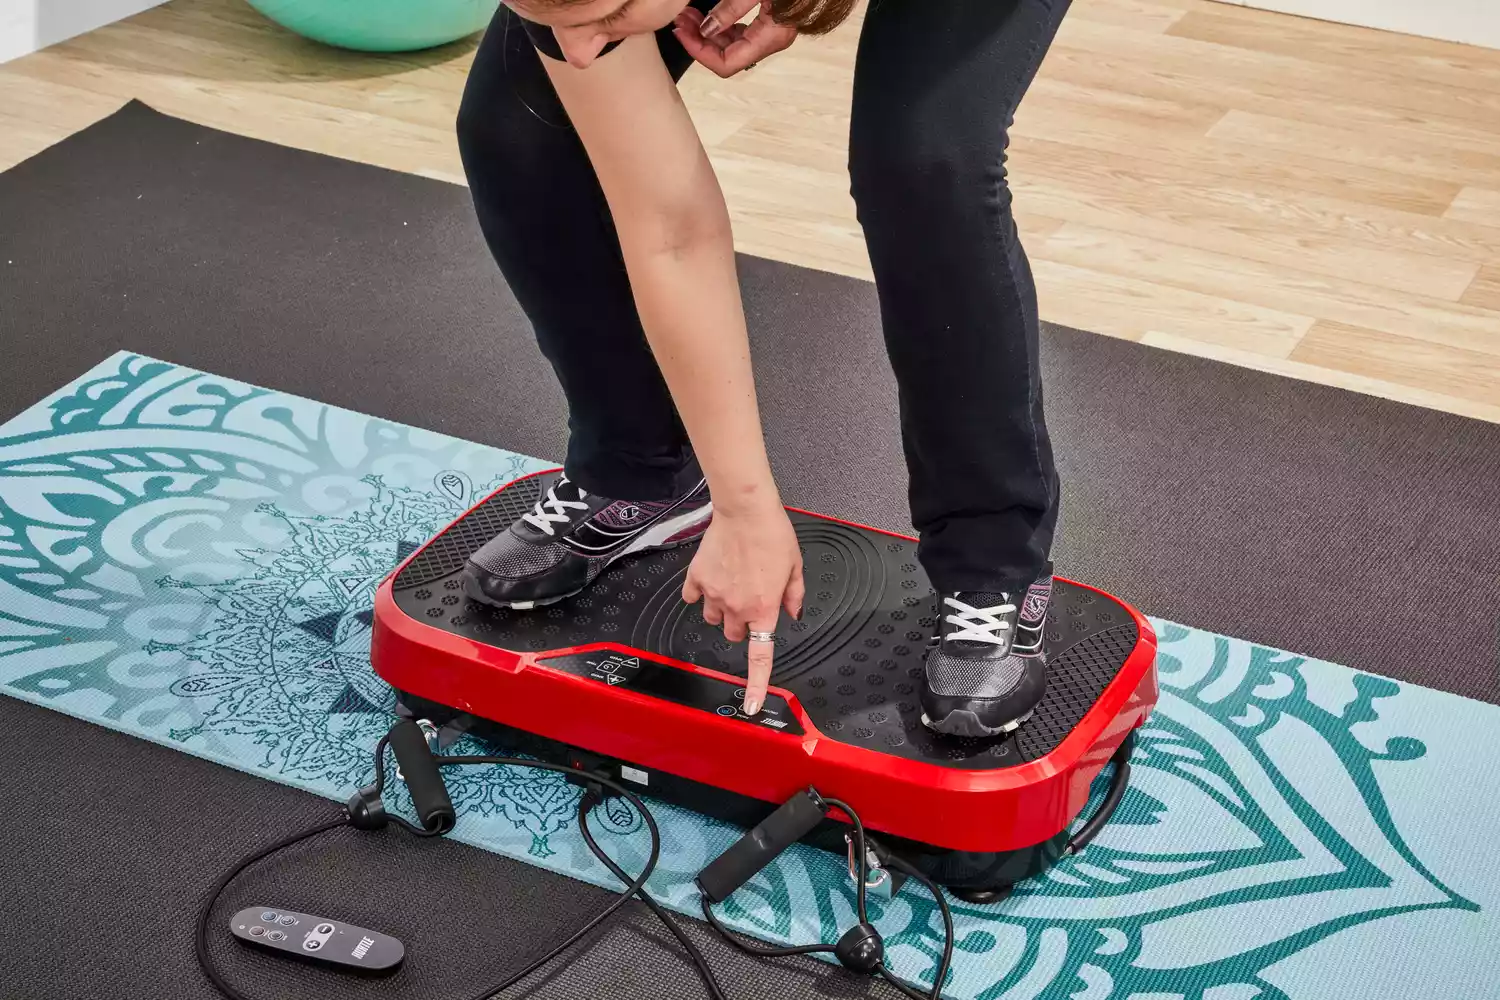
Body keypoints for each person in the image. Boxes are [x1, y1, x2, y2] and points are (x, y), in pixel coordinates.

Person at [455, 0, 1067, 738]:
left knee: (923, 157)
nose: (582, 48)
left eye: (609, 11)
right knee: (520, 125)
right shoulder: (576, 22)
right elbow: (671, 227)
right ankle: (637, 468)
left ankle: (993, 558)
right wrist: (746, 506)